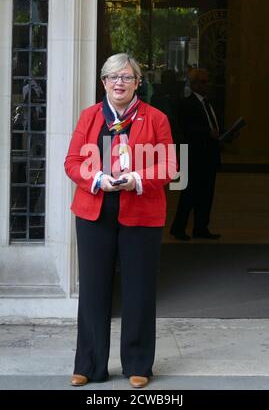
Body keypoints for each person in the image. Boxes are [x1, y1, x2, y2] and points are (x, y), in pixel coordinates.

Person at [64, 53, 176, 388]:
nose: (119, 83)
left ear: (138, 82)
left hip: (140, 210)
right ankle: (90, 364)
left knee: (139, 290)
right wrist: (97, 178)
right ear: (103, 83)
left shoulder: (156, 118)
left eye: (126, 77)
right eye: (112, 77)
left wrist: (137, 179)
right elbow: (72, 162)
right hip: (95, 210)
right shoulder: (89, 117)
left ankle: (139, 365)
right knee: (94, 290)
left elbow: (169, 165)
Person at [170, 68, 221, 241]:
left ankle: (201, 227)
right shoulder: (187, 103)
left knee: (207, 193)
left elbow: (212, 124)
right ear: (195, 84)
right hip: (194, 155)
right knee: (189, 193)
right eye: (204, 82)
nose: (208, 85)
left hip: (209, 155)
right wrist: (208, 133)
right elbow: (187, 129)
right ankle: (178, 228)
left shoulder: (208, 103)